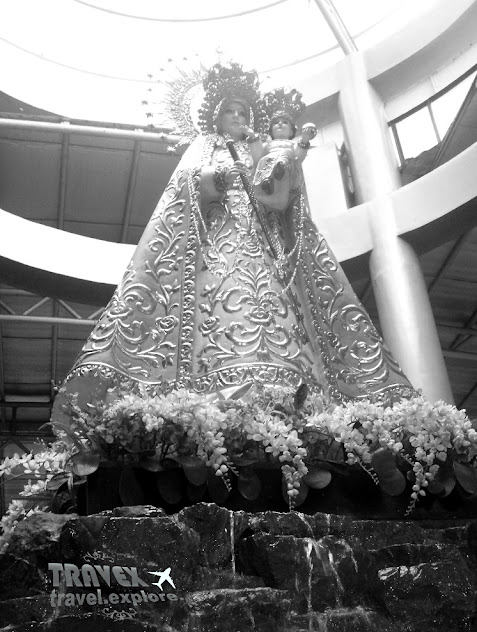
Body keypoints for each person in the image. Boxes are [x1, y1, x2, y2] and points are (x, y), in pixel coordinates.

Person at [52, 62, 414, 425]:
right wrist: (222, 176)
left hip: (266, 242)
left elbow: (284, 194)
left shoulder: (259, 148)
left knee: (279, 308)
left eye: (243, 111)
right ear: (217, 117)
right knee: (221, 307)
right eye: (230, 111)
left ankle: (294, 393)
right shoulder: (207, 145)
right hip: (219, 243)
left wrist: (279, 173)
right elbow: (186, 183)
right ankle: (212, 390)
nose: (237, 117)